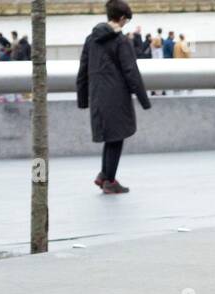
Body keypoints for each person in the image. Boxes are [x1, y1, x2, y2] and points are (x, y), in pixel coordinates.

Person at [77, 0, 150, 195]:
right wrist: (144, 99)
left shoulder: (91, 39)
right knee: (116, 138)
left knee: (111, 137)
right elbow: (131, 72)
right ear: (122, 18)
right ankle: (109, 180)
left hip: (97, 97)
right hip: (116, 97)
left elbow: (83, 70)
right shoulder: (120, 41)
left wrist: (83, 98)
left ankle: (104, 175)